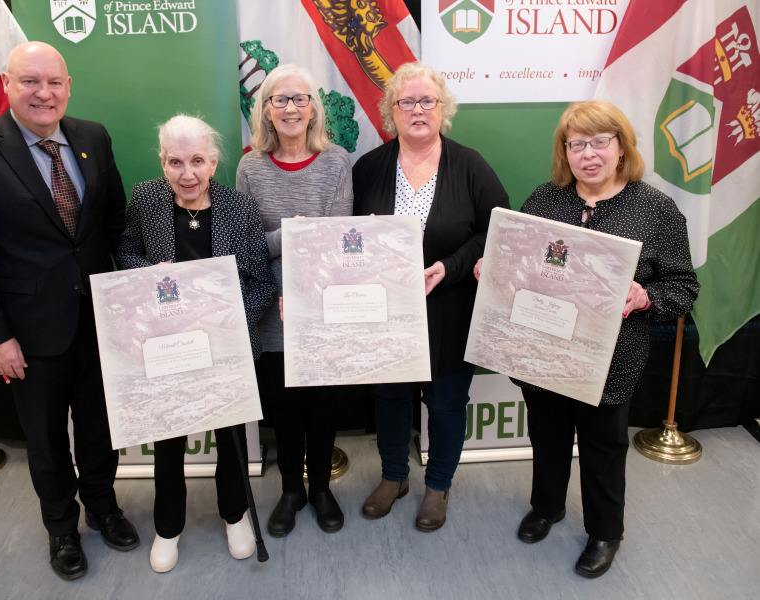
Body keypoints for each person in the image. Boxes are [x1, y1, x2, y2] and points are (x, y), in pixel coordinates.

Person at [474, 100, 699, 578]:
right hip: (541, 352)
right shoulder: (544, 199)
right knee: (547, 436)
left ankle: (604, 531)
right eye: (577, 144)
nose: (588, 154)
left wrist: (644, 297)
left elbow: (683, 288)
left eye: (600, 142)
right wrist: (494, 268)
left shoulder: (655, 209)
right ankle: (547, 507)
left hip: (609, 360)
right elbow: (522, 264)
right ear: (565, 152)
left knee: (602, 447)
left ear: (621, 148)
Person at [0, 42, 137, 581]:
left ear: (69, 86)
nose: (43, 93)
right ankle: (62, 529)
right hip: (27, 332)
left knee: (98, 424)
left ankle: (103, 506)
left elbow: (114, 222)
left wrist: (139, 293)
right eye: (30, 81)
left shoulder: (93, 136)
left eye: (53, 83)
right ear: (7, 85)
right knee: (48, 440)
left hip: (99, 318)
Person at [352, 61, 509, 532]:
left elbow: (498, 229)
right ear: (390, 111)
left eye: (427, 101)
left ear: (443, 110)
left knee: (444, 402)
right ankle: (394, 477)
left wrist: (452, 267)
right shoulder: (368, 168)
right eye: (406, 102)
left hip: (450, 307)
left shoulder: (470, 165)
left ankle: (438, 485)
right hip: (387, 312)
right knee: (391, 397)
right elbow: (346, 237)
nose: (417, 110)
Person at [116, 115, 275, 573]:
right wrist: (145, 273)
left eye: (198, 161)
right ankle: (168, 526)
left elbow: (262, 282)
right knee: (168, 440)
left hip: (224, 346)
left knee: (230, 438)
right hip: (165, 345)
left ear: (215, 161)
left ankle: (235, 514)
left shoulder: (239, 208)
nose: (187, 174)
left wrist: (226, 324)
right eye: (175, 162)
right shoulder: (146, 198)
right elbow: (125, 249)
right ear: (162, 162)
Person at [235, 64, 354, 537]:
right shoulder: (250, 166)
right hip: (272, 309)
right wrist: (292, 233)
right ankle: (290, 490)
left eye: (299, 99)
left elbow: (338, 240)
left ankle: (321, 488)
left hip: (324, 307)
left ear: (313, 109)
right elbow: (246, 245)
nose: (289, 108)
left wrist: (305, 244)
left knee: (322, 406)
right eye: (278, 100)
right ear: (264, 109)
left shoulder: (337, 162)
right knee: (284, 407)